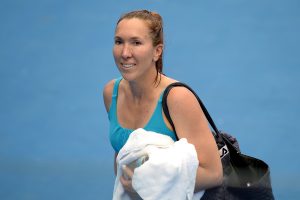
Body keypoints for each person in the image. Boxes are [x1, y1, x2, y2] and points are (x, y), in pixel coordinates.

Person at [103, 9, 222, 198]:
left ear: (157, 51)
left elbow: (214, 174)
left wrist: (145, 185)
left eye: (136, 42)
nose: (125, 53)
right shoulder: (111, 92)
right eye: (119, 42)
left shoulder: (177, 98)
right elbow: (123, 157)